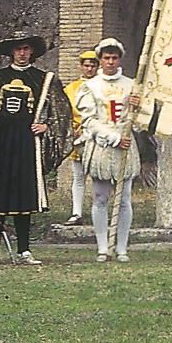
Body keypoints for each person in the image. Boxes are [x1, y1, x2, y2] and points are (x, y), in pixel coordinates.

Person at [0, 33, 73, 264]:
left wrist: (46, 126)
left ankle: (24, 250)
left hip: (27, 145)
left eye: (26, 49)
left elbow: (62, 115)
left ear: (32, 51)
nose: (22, 53)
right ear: (11, 51)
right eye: (18, 49)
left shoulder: (46, 79)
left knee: (24, 198)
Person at [76, 38, 140, 262]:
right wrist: (113, 138)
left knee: (124, 199)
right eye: (106, 58)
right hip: (103, 147)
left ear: (119, 59)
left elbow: (141, 123)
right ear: (100, 60)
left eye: (114, 57)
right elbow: (89, 121)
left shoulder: (132, 84)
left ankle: (122, 248)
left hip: (126, 147)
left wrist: (138, 107)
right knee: (101, 198)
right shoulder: (90, 86)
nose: (110, 62)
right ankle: (103, 247)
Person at [62, 48, 100, 226]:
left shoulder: (103, 86)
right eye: (87, 66)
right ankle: (76, 212)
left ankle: (99, 211)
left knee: (100, 176)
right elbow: (64, 111)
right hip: (79, 136)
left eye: (93, 65)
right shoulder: (71, 88)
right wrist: (71, 129)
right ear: (81, 67)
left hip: (99, 137)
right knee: (79, 176)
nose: (90, 69)